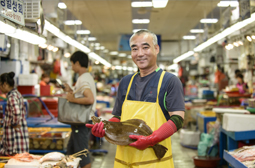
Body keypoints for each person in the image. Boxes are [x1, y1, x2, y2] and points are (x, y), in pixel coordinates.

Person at [87, 30, 185, 167]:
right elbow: (118, 117)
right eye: (134, 49)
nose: (140, 53)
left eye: (145, 47)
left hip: (154, 163)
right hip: (124, 162)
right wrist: (106, 130)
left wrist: (151, 139)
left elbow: (178, 119)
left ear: (156, 49)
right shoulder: (125, 82)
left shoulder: (169, 81)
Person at [63, 51, 96, 168]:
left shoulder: (83, 78)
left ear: (77, 63)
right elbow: (82, 95)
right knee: (71, 151)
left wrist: (72, 99)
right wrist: (71, 90)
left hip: (82, 121)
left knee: (82, 154)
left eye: (72, 64)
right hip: (83, 120)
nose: (72, 67)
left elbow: (89, 98)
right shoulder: (86, 77)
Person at [0, 72, 29, 155]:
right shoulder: (17, 94)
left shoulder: (11, 97)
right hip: (19, 142)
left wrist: (13, 123)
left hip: (14, 143)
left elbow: (16, 112)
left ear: (4, 84)